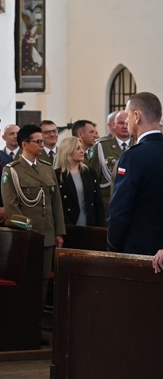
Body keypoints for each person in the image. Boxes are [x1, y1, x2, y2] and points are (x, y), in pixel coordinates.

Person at [1, 124, 65, 308]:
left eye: (42, 141)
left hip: (47, 235)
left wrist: (58, 232)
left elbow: (56, 202)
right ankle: (25, 321)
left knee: (44, 280)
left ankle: (38, 321)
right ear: (25, 144)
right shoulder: (12, 170)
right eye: (38, 141)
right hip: (27, 236)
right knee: (27, 279)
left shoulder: (46, 167)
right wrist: (29, 231)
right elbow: (11, 207)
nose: (41, 145)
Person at [107, 92, 163, 256]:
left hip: (139, 250)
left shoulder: (133, 156)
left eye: (128, 116)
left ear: (137, 116)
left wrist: (113, 247)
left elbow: (120, 211)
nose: (127, 122)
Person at [89, 111, 133, 212]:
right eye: (121, 123)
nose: (125, 126)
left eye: (127, 123)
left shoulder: (138, 144)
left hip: (132, 202)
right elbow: (93, 177)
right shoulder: (101, 146)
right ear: (113, 125)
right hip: (108, 202)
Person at [54, 137, 104, 227]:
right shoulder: (57, 175)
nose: (82, 151)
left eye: (82, 147)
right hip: (68, 225)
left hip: (90, 225)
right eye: (78, 148)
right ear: (67, 151)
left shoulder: (90, 172)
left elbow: (98, 203)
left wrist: (101, 228)